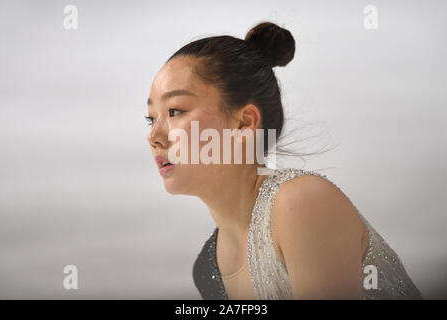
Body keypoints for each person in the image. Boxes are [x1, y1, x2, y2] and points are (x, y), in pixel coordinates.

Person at [145, 21, 423, 299]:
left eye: (174, 111)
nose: (154, 136)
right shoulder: (207, 267)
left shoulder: (303, 203)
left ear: (244, 123)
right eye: (151, 118)